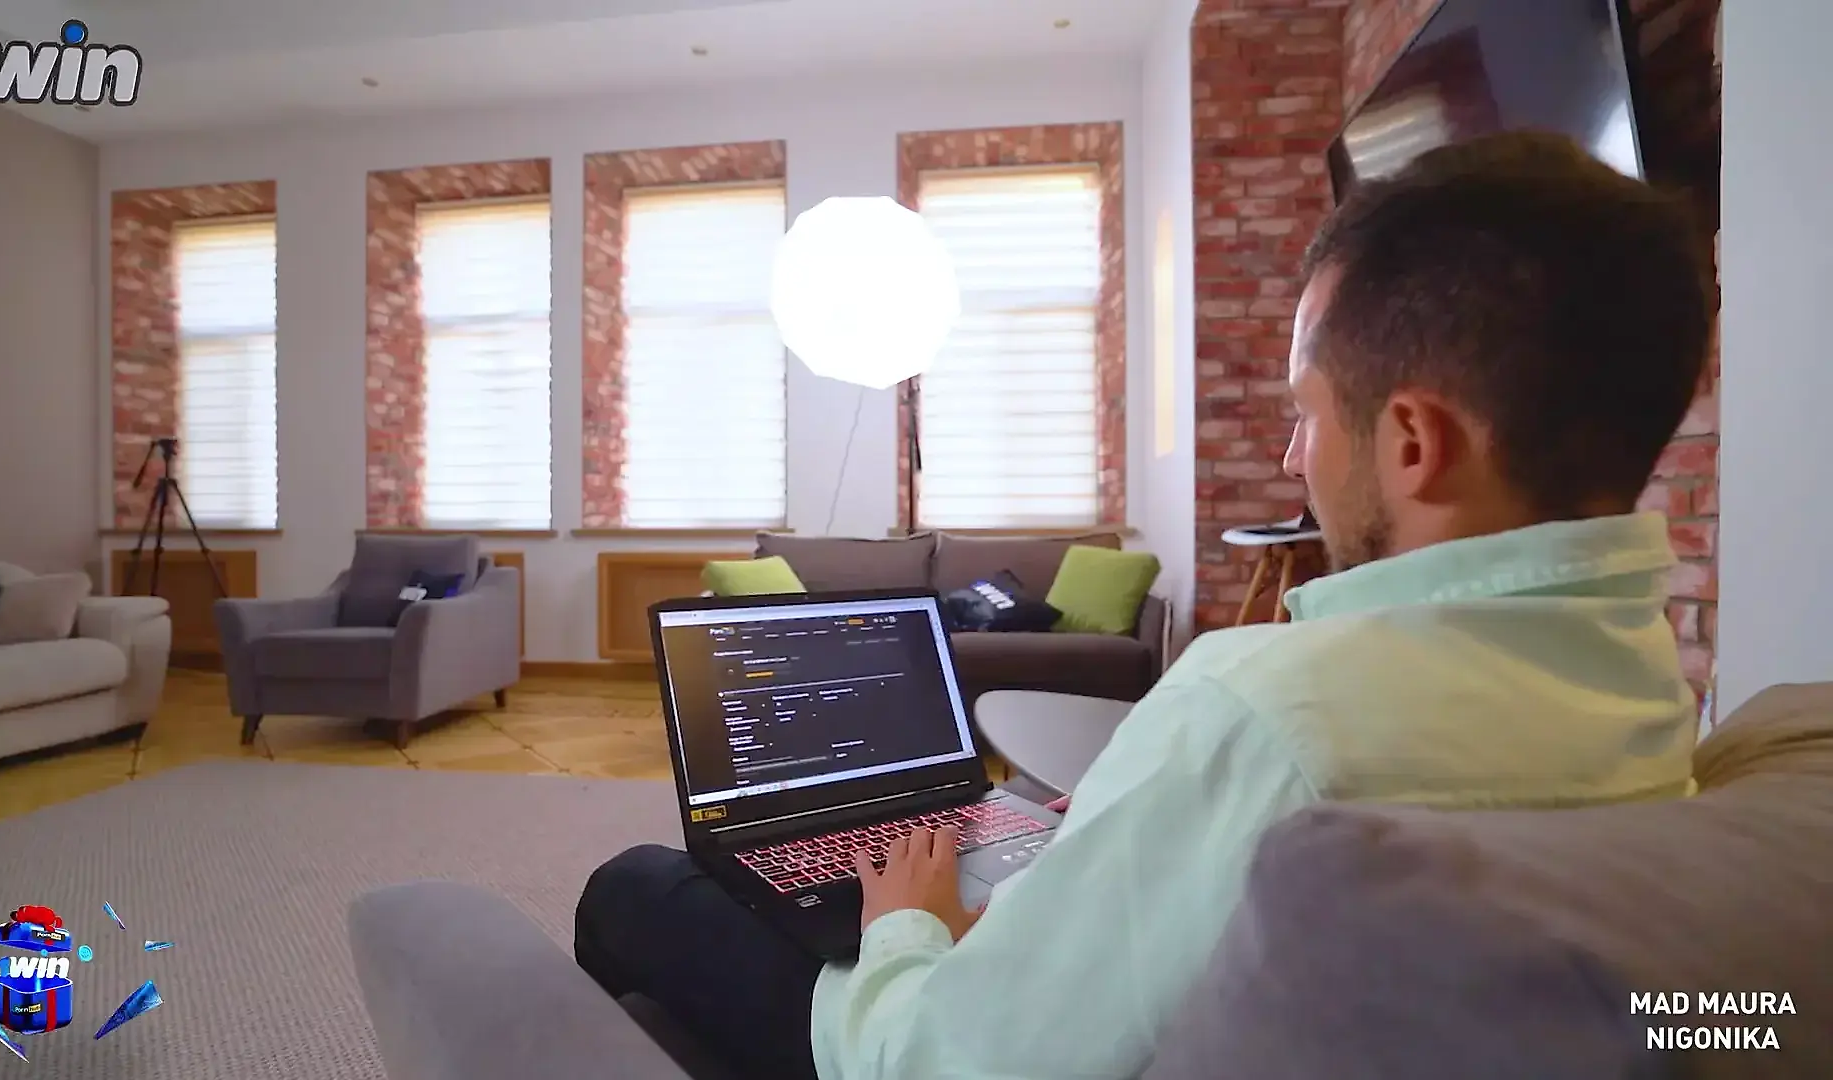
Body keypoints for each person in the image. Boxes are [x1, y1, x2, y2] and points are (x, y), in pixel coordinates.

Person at [572, 131, 1717, 1080]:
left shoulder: (1265, 711)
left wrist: (906, 922)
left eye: (1307, 413)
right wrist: (1104, 838)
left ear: (1414, 442)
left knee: (636, 885)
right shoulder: (1642, 670)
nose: (1292, 456)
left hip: (887, 1047)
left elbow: (933, 1058)